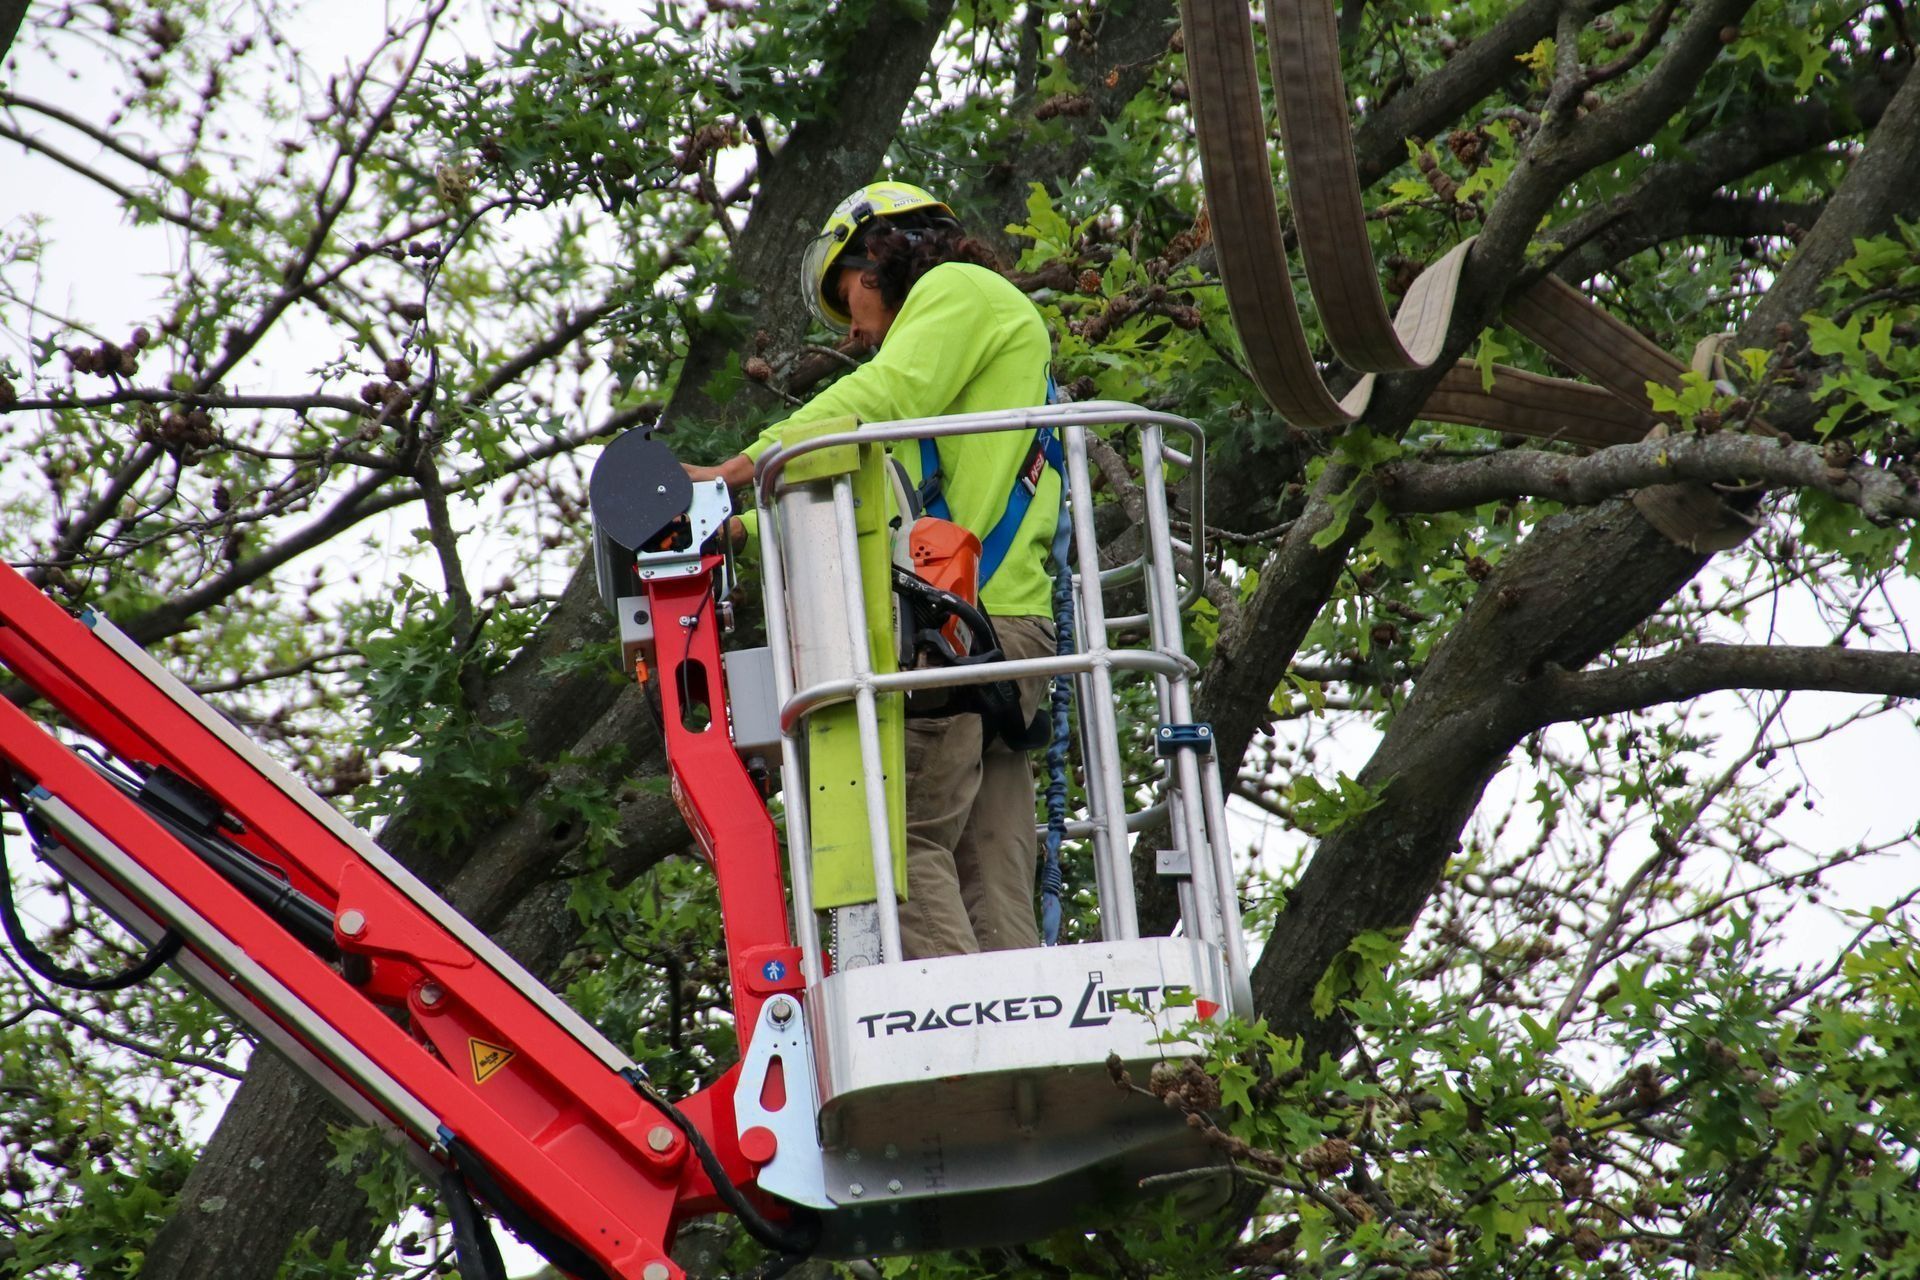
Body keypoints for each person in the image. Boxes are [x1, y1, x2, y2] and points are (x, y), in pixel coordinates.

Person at [684, 180, 1060, 959]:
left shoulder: (958, 291)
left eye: (845, 296)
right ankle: (1019, 1033)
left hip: (957, 630)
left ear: (876, 261)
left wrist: (735, 470)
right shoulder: (965, 364)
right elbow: (869, 507)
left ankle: (956, 1047)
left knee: (903, 836)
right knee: (988, 868)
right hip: (1008, 633)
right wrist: (741, 535)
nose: (853, 330)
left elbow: (883, 393)